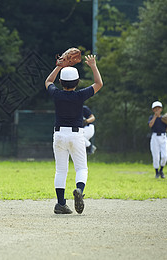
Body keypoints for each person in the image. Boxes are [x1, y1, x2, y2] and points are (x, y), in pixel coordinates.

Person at [45, 52, 103, 214]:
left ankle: (61, 204)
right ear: (77, 82)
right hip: (76, 134)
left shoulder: (56, 94)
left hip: (59, 134)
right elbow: (98, 83)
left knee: (61, 170)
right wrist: (93, 65)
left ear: (61, 81)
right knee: (81, 169)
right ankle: (79, 189)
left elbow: (48, 81)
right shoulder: (79, 95)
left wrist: (58, 67)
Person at [148, 101, 167, 179]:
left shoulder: (164, 119)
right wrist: (155, 116)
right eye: (155, 108)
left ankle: (161, 169)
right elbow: (150, 125)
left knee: (165, 155)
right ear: (153, 110)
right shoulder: (151, 117)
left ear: (161, 109)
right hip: (155, 137)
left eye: (159, 108)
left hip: (163, 137)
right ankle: (157, 172)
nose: (157, 109)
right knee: (156, 156)